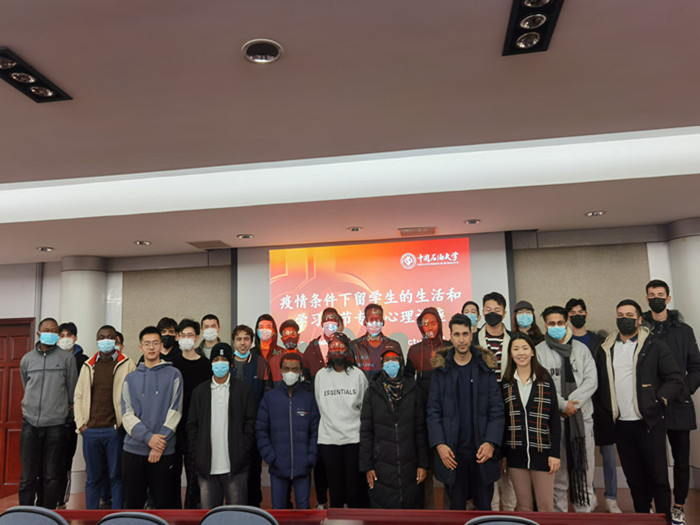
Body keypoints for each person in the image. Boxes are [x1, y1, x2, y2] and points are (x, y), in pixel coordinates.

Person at [594, 299, 684, 522]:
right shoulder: (606, 348)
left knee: (658, 478)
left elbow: (675, 379)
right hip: (621, 425)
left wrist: (659, 399)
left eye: (629, 315)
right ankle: (643, 518)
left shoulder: (654, 345)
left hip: (649, 422)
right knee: (634, 479)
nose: (624, 319)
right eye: (620, 315)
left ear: (639, 319)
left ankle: (663, 519)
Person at [427, 313, 504, 510]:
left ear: (471, 335)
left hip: (482, 452)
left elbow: (497, 409)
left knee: (484, 510)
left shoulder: (485, 368)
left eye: (465, 334)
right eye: (457, 334)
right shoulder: (440, 371)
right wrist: (439, 445)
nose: (461, 339)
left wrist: (491, 443)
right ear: (450, 337)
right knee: (456, 511)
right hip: (452, 454)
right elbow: (433, 412)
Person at [641, 280, 700, 525]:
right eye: (651, 294)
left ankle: (679, 505)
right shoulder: (641, 329)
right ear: (647, 299)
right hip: (649, 405)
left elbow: (695, 367)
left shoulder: (684, 330)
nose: (656, 298)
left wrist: (684, 389)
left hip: (679, 403)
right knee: (651, 459)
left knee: (681, 459)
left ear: (668, 298)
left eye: (660, 294)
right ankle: (653, 504)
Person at [535, 305, 597, 513]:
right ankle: (559, 516)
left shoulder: (581, 349)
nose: (556, 327)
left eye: (560, 323)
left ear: (566, 323)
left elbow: (591, 381)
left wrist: (572, 404)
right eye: (551, 323)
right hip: (556, 421)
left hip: (581, 418)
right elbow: (542, 385)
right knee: (558, 477)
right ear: (545, 326)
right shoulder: (539, 352)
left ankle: (584, 514)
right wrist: (563, 405)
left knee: (584, 472)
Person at [565, 298, 620, 513]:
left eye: (580, 312)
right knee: (582, 454)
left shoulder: (600, 341)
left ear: (586, 314)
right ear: (568, 317)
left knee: (608, 454)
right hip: (577, 406)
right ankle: (590, 495)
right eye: (573, 313)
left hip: (601, 404)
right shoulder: (565, 342)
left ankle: (612, 497)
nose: (577, 315)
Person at [73, 324, 135, 509]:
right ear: (97, 340)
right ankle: (90, 517)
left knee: (116, 476)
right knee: (93, 478)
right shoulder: (88, 365)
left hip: (114, 430)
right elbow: (78, 396)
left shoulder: (127, 363)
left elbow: (133, 396)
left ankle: (117, 517)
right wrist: (81, 425)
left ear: (116, 340)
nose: (105, 340)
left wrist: (122, 424)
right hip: (90, 430)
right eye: (101, 337)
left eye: (109, 337)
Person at [187, 343, 256, 508]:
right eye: (216, 359)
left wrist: (243, 447)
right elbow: (191, 426)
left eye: (224, 359)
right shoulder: (200, 392)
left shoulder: (243, 389)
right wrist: (197, 452)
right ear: (211, 363)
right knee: (210, 516)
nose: (220, 363)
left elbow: (250, 422)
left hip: (236, 467)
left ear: (230, 363)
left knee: (237, 516)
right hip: (207, 468)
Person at [121, 326, 183, 509]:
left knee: (165, 506)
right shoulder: (130, 378)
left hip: (164, 450)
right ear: (140, 347)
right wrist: (149, 438)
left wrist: (159, 444)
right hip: (134, 450)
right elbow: (127, 414)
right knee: (133, 507)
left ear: (161, 346)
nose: (151, 347)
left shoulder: (174, 374)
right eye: (147, 343)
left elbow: (176, 411)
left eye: (155, 343)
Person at [19, 317, 78, 509]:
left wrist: (65, 414)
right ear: (39, 333)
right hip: (30, 424)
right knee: (27, 476)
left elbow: (72, 391)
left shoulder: (67, 359)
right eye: (46, 330)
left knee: (51, 475)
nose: (50, 333)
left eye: (54, 331)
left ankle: (47, 514)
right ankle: (25, 514)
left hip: (56, 426)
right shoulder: (27, 359)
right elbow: (26, 386)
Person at [359, 349, 429, 508]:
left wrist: (423, 464)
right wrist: (367, 466)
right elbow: (366, 432)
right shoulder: (372, 391)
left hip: (410, 464)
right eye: (387, 361)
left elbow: (420, 430)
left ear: (401, 363)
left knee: (411, 509)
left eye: (395, 360)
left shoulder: (413, 389)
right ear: (381, 364)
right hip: (381, 465)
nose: (391, 364)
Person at [501, 333, 560, 512]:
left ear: (532, 352)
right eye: (516, 349)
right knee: (524, 506)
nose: (521, 353)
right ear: (510, 354)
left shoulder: (545, 380)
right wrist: (503, 454)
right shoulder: (506, 383)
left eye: (525, 348)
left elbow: (554, 420)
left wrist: (555, 454)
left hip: (543, 453)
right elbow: (504, 422)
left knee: (545, 506)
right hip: (515, 454)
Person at [256, 352, 320, 509]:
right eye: (286, 369)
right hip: (277, 467)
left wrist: (310, 457)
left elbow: (315, 431)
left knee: (304, 511)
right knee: (278, 510)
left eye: (294, 369)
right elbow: (261, 430)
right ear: (281, 370)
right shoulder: (270, 398)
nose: (290, 372)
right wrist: (270, 457)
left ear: (300, 372)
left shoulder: (308, 399)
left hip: (303, 467)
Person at [314, 332, 369, 508]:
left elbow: (364, 406)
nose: (337, 351)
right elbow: (320, 404)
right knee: (335, 489)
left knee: (353, 489)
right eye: (333, 348)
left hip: (353, 439)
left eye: (341, 348)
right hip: (329, 440)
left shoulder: (358, 375)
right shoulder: (321, 375)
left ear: (348, 351)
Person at [475, 292, 515, 511]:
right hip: (481, 407)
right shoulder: (473, 340)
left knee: (509, 460)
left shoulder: (514, 340)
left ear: (504, 313)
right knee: (488, 458)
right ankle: (491, 509)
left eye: (497, 311)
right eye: (488, 310)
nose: (492, 314)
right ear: (482, 312)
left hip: (510, 404)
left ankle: (510, 510)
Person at [407, 307, 448, 509]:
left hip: (447, 415)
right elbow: (408, 384)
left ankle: (452, 513)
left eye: (433, 322)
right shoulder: (414, 351)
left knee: (449, 469)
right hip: (422, 416)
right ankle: (428, 515)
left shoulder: (449, 348)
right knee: (425, 469)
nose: (429, 327)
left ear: (439, 323)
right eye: (425, 324)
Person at [230, 324, 273, 507]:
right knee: (233, 471)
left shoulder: (261, 363)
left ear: (251, 341)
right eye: (239, 339)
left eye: (246, 339)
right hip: (230, 428)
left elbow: (266, 396)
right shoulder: (226, 364)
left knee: (254, 472)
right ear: (233, 342)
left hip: (254, 428)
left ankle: (254, 508)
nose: (242, 343)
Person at [172, 318, 212, 509]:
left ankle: (191, 512)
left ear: (197, 338)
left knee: (194, 476)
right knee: (171, 475)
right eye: (183, 335)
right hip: (173, 427)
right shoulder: (171, 364)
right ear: (178, 337)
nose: (186, 339)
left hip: (196, 428)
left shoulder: (206, 365)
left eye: (190, 335)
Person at [56, 321, 87, 507]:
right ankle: (46, 500)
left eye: (69, 335)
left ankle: (61, 500)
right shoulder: (52, 357)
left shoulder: (83, 361)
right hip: (52, 418)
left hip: (70, 419)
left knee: (65, 461)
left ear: (75, 337)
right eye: (62, 335)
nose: (65, 339)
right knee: (50, 462)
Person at [352, 304, 402, 376]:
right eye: (371, 320)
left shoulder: (393, 345)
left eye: (378, 319)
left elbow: (401, 371)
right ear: (364, 322)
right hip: (363, 382)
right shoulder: (355, 345)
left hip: (386, 383)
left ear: (383, 322)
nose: (374, 323)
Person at [252, 314, 285, 382]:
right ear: (257, 331)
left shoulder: (282, 352)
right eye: (261, 327)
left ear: (273, 331)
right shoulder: (251, 352)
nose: (264, 330)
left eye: (268, 327)